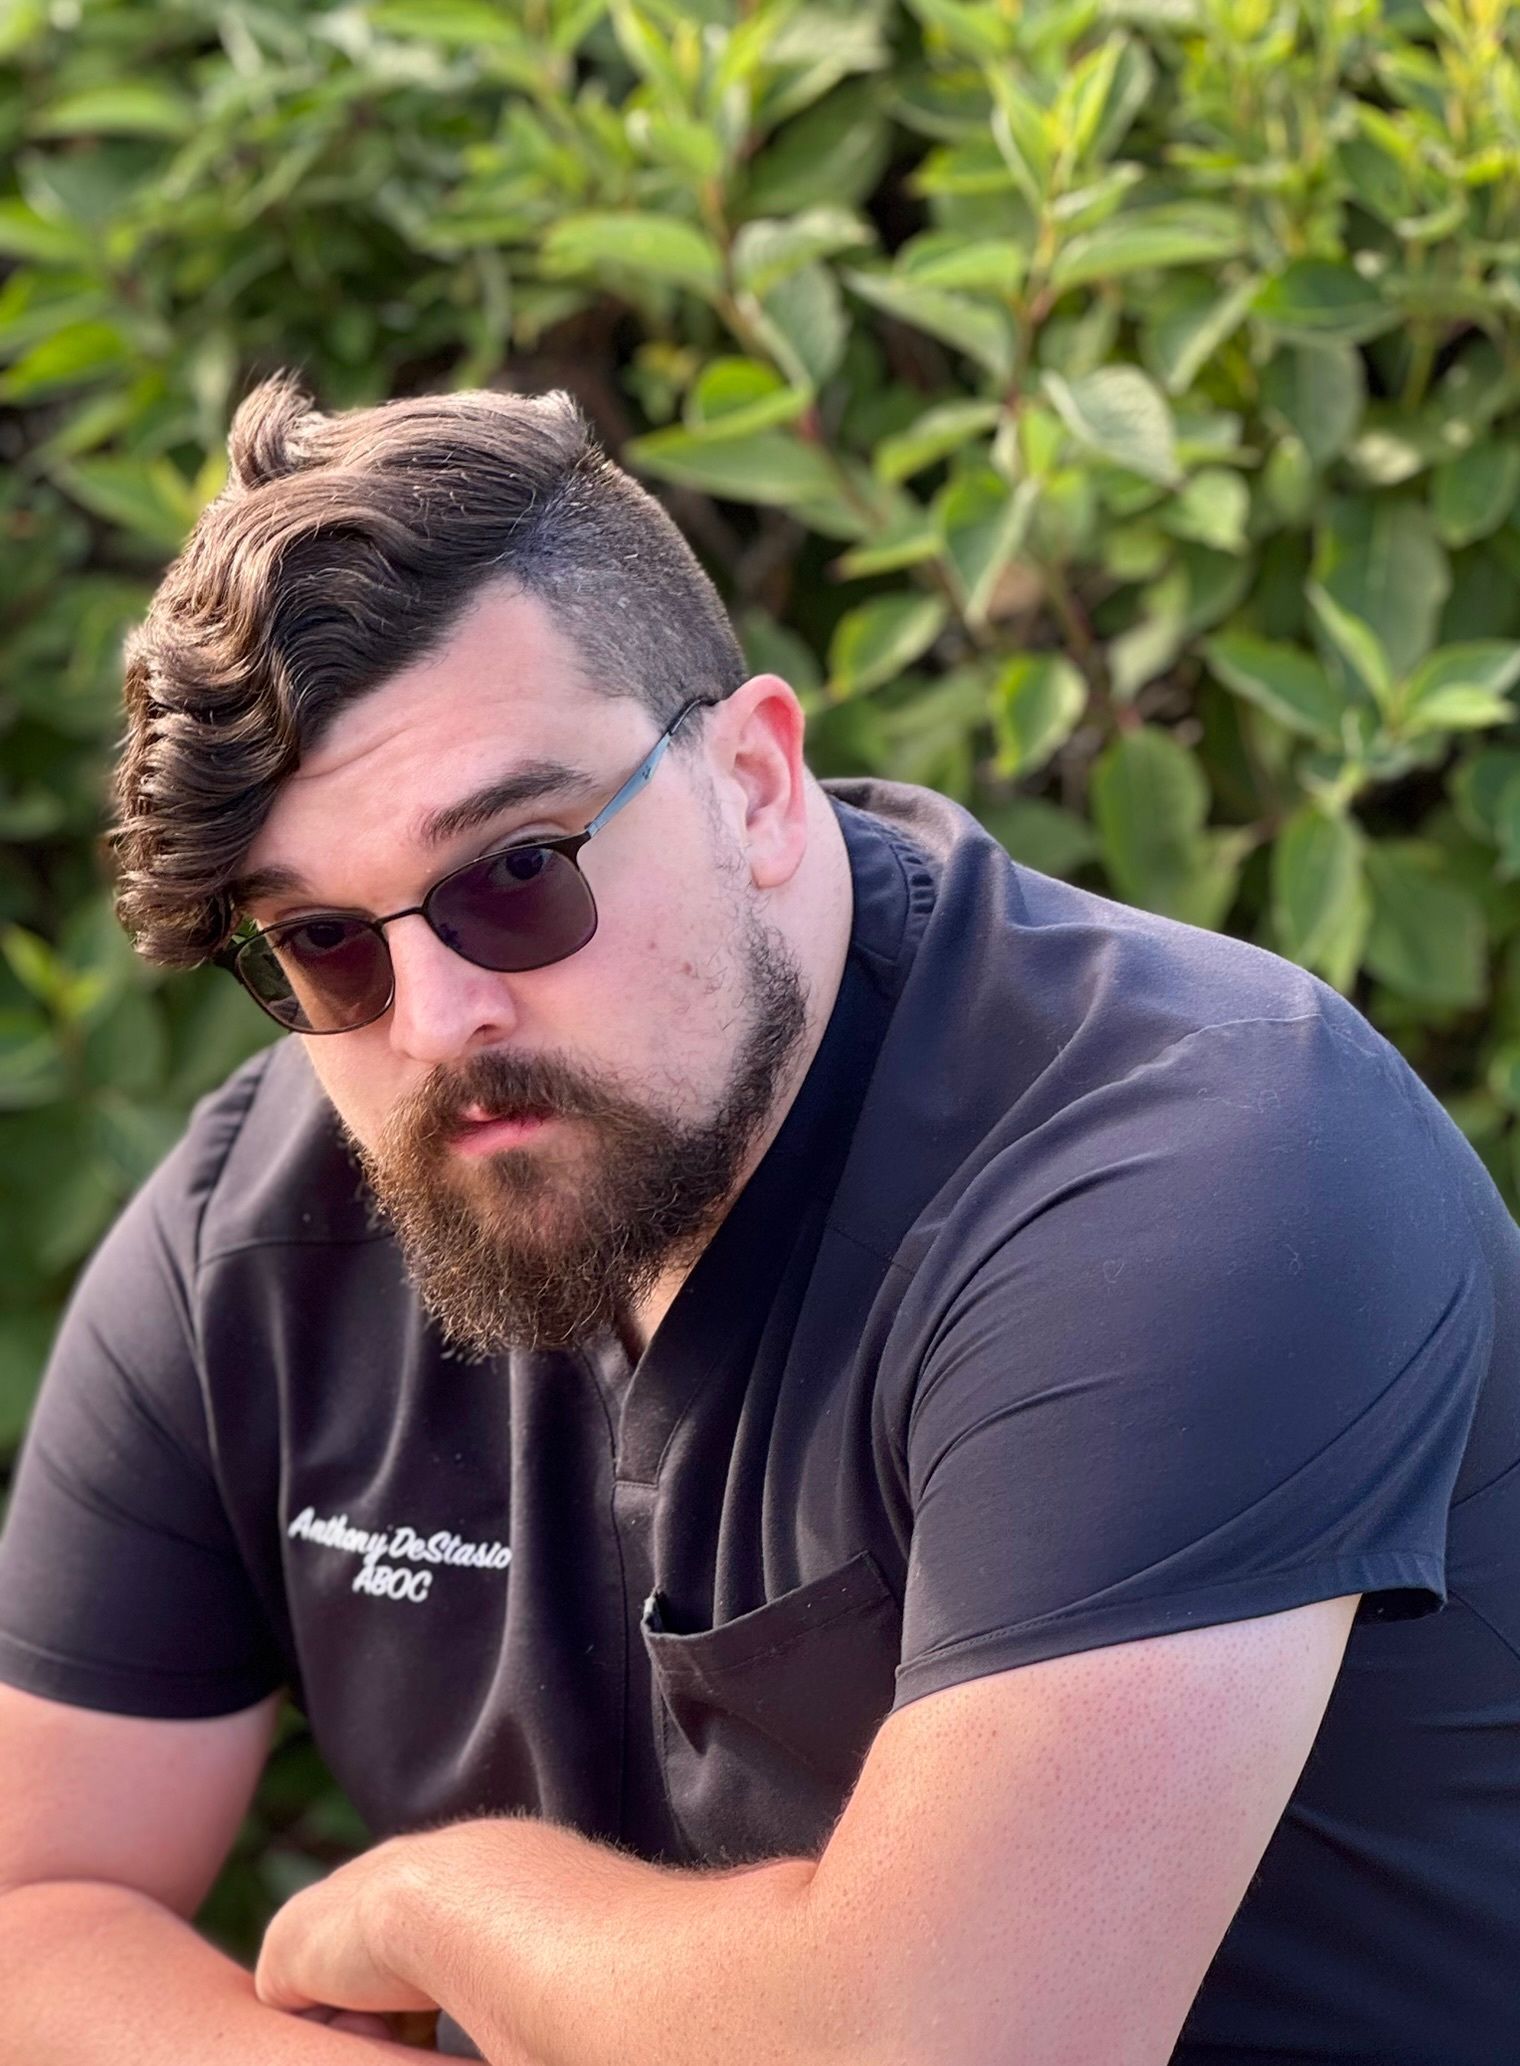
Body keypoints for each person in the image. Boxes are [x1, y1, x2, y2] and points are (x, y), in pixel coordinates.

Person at [0, 374, 1516, 2066]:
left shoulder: (1200, 1173)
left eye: (516, 872)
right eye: (326, 947)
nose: (433, 1021)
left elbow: (941, 2047)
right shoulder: (255, 1230)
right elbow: (37, 1907)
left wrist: (450, 1898)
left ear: (761, 781)